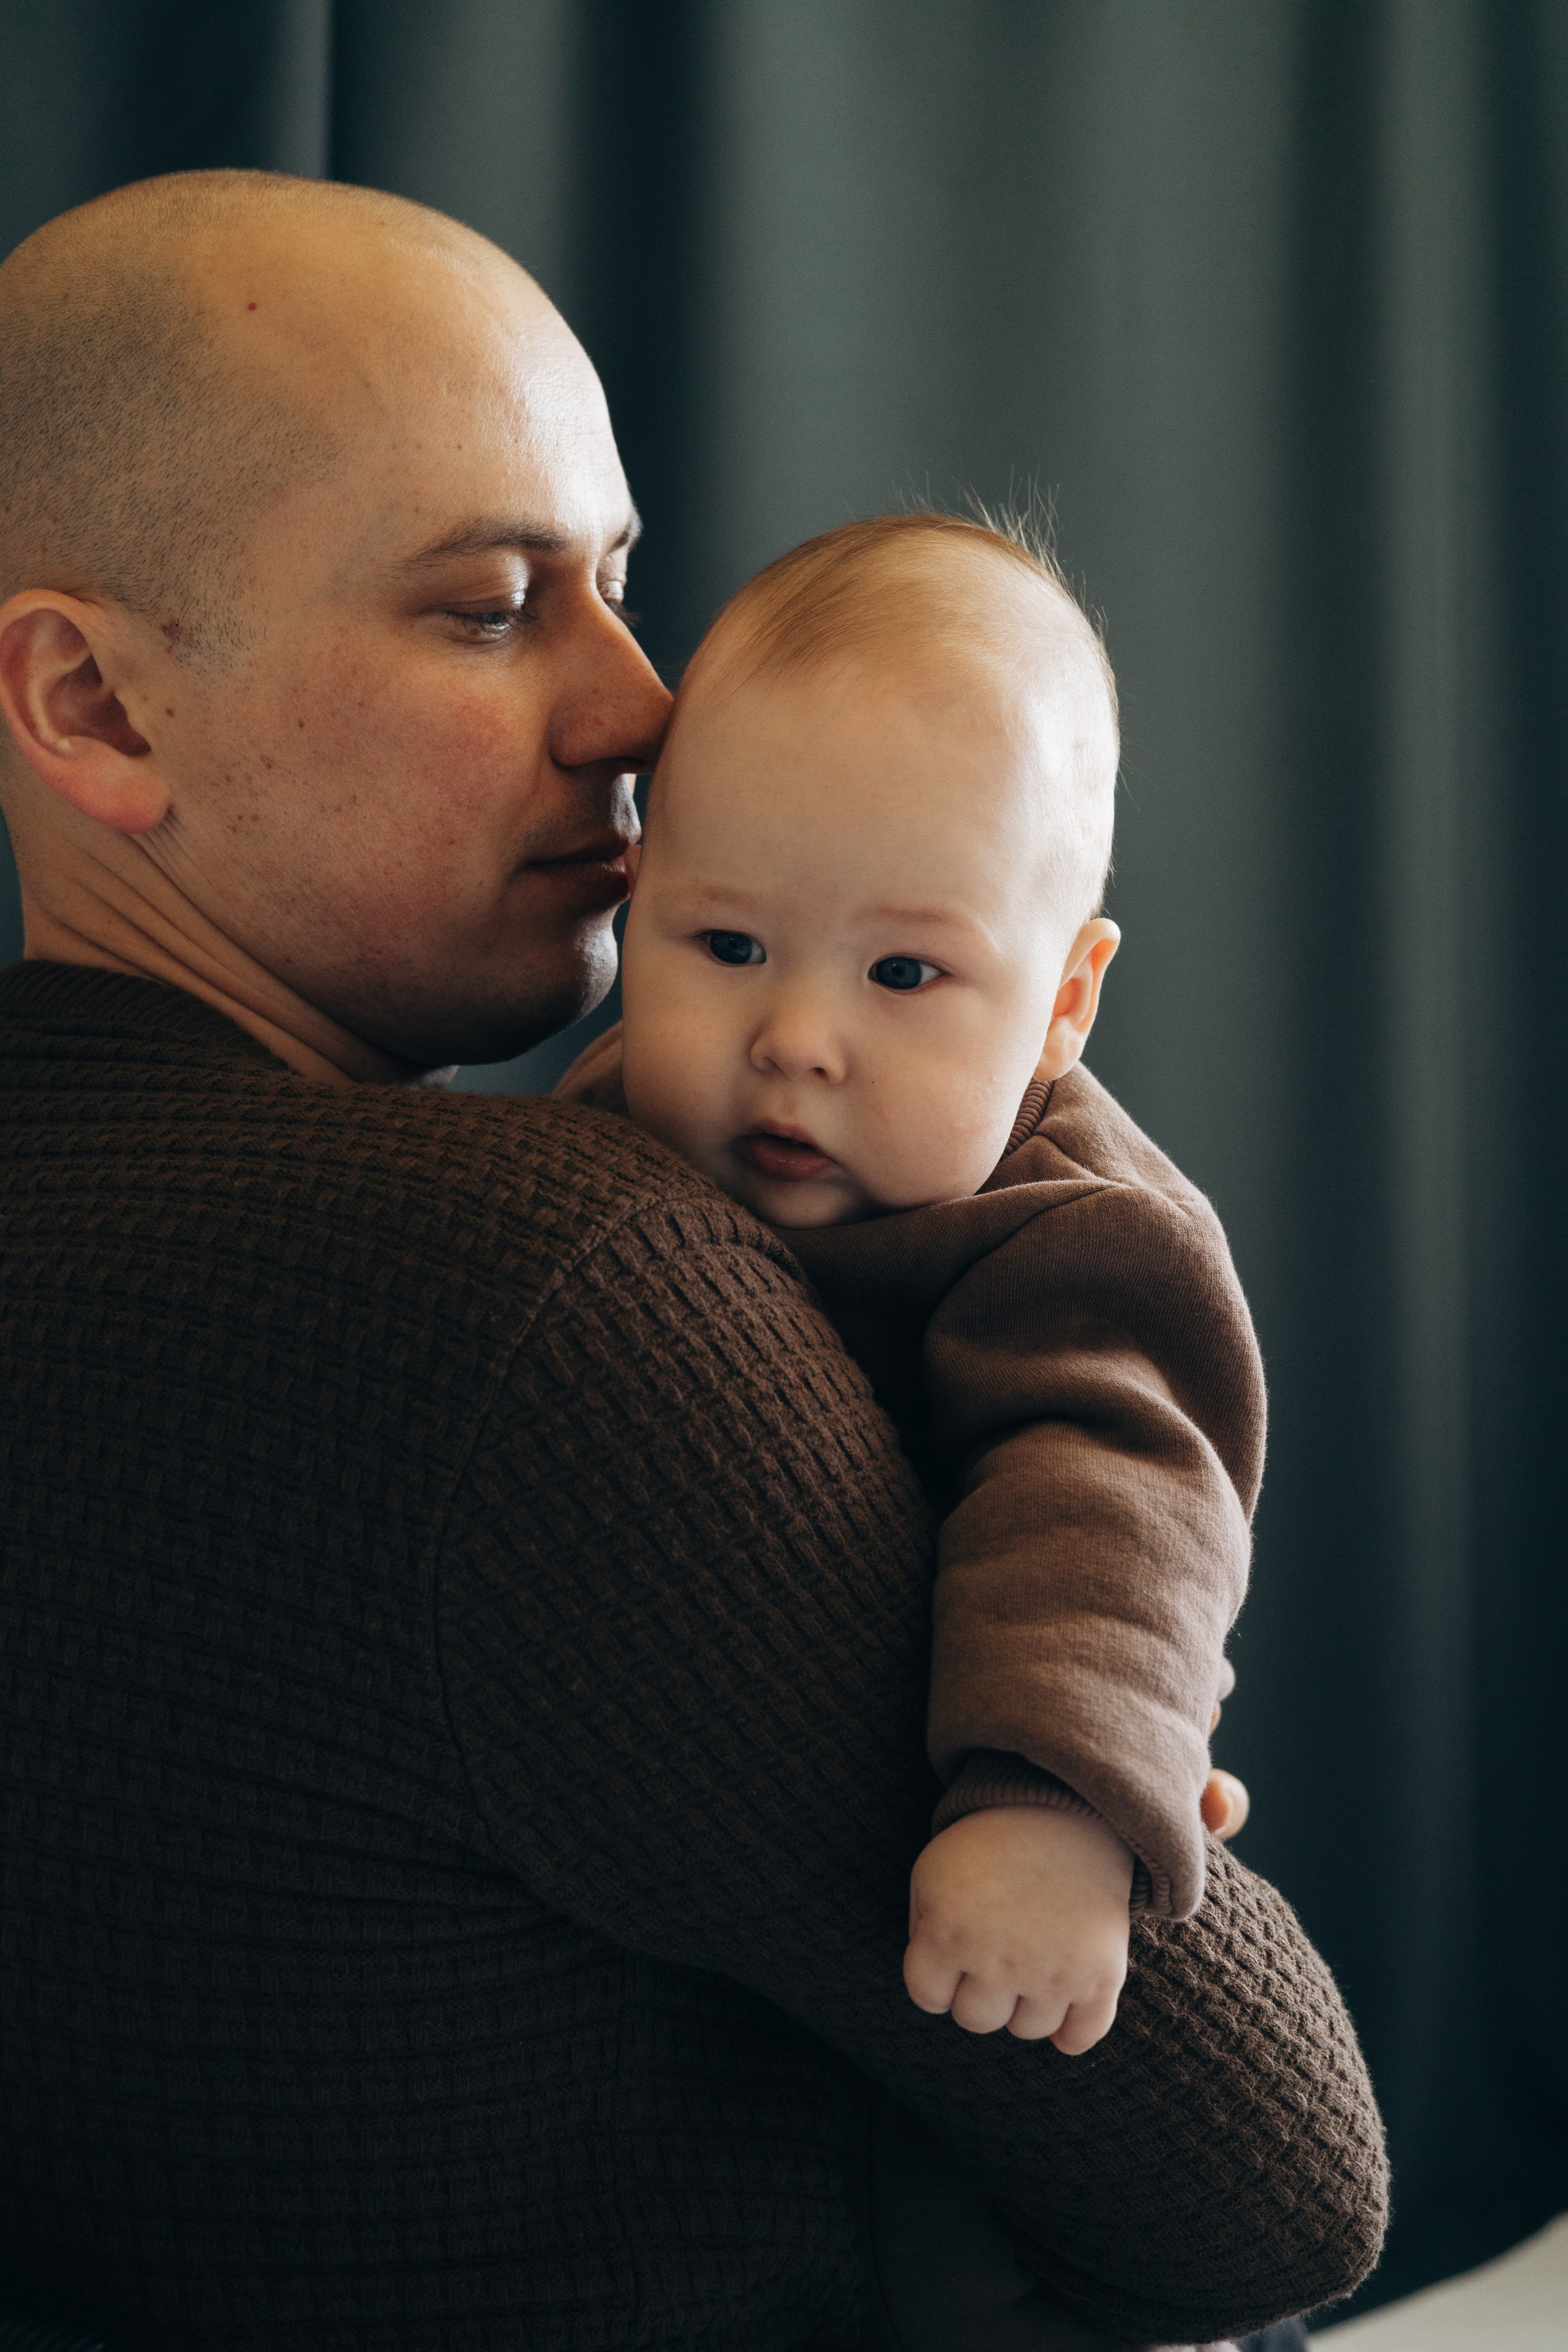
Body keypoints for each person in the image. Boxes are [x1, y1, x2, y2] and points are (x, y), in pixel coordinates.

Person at [0, 170, 1384, 2352]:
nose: (643, 707)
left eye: (619, 585)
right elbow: (1283, 2178)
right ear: (90, 704)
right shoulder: (543, 1312)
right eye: (488, 607)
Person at [558, 509, 1257, 2062]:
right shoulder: (608, 1138)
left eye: (900, 975)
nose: (796, 1036)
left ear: (1064, 1002)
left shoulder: (1068, 1235)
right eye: (726, 941)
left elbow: (1118, 1503)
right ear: (634, 897)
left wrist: (1065, 1795)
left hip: (977, 1845)